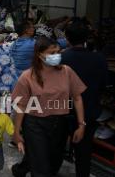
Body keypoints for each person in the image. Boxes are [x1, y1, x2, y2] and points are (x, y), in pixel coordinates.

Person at [12, 36, 87, 177]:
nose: (56, 56)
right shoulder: (27, 77)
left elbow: (77, 97)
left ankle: (20, 169)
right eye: (52, 53)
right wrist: (16, 132)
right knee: (41, 169)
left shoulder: (66, 71)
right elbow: (21, 106)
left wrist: (81, 125)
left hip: (59, 124)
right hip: (35, 124)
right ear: (39, 54)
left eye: (58, 52)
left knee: (53, 163)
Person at [61, 19, 108, 177]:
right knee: (84, 154)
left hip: (63, 110)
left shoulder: (62, 58)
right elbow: (103, 83)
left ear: (67, 38)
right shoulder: (99, 59)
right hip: (89, 111)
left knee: (56, 146)